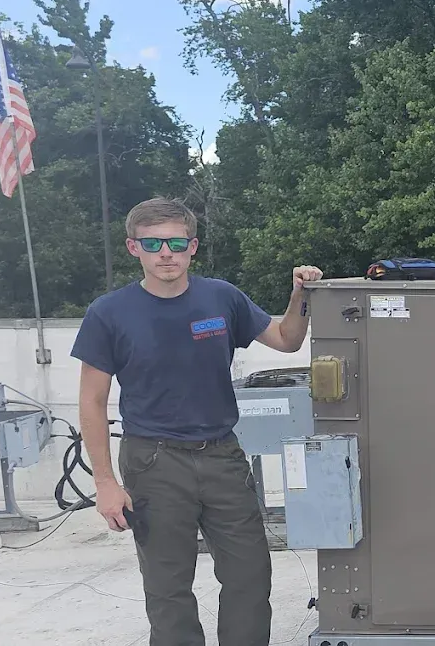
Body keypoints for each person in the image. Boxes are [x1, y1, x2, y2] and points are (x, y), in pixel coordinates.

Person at [72, 196, 323, 646]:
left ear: (193, 246)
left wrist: (301, 295)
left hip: (223, 456)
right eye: (152, 244)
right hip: (153, 462)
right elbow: (92, 402)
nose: (164, 253)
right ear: (134, 248)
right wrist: (106, 483)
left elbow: (287, 340)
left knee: (249, 577)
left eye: (175, 242)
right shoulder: (108, 313)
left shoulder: (221, 298)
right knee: (168, 589)